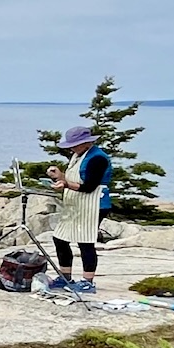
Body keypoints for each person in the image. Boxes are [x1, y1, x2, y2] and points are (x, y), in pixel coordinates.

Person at [47, 126, 112, 295]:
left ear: (87, 142)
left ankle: (88, 281)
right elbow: (75, 179)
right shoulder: (78, 155)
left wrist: (66, 184)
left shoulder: (98, 159)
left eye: (75, 144)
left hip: (94, 203)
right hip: (76, 204)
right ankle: (65, 276)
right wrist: (59, 176)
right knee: (60, 238)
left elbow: (89, 186)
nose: (72, 148)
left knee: (85, 242)